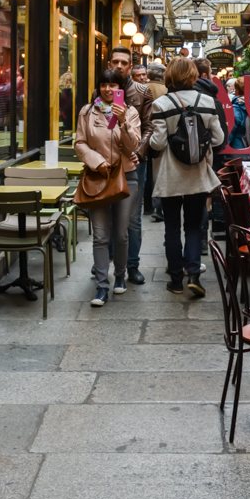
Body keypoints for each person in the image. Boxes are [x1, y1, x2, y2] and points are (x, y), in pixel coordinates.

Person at [150, 56, 224, 298]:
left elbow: (158, 142)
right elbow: (219, 139)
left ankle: (175, 279)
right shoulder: (208, 101)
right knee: (194, 225)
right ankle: (194, 273)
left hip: (171, 176)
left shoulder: (161, 104)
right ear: (194, 76)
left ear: (169, 75)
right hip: (198, 176)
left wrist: (149, 142)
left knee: (172, 227)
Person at [75, 69, 141, 307]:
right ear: (99, 87)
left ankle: (120, 276)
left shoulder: (130, 112)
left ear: (121, 88)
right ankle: (102, 285)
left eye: (114, 85)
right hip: (98, 178)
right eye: (104, 84)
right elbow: (80, 142)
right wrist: (96, 161)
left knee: (121, 234)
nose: (108, 89)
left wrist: (122, 121)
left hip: (126, 177)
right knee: (100, 236)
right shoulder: (87, 111)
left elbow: (133, 144)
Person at [109, 44, 153, 285]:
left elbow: (149, 126)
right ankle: (110, 261)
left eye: (124, 63)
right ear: (109, 64)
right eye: (115, 62)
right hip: (108, 162)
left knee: (133, 218)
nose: (119, 66)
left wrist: (138, 151)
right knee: (108, 212)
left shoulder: (142, 91)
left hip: (135, 163)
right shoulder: (103, 89)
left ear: (130, 67)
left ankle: (132, 265)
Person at [194, 58, 228, 256]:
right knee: (206, 199)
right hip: (210, 158)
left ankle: (196, 242)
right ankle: (204, 240)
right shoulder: (213, 100)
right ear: (206, 75)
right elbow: (221, 137)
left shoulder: (180, 97)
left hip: (184, 161)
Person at [145, 62, 167, 223]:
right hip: (160, 135)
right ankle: (158, 206)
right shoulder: (166, 91)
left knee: (145, 172)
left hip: (141, 135)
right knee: (158, 172)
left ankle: (147, 205)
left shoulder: (142, 89)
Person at [228, 76, 250, 150]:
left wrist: (224, 144)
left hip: (239, 146)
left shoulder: (236, 106)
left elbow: (232, 128)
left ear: (236, 90)